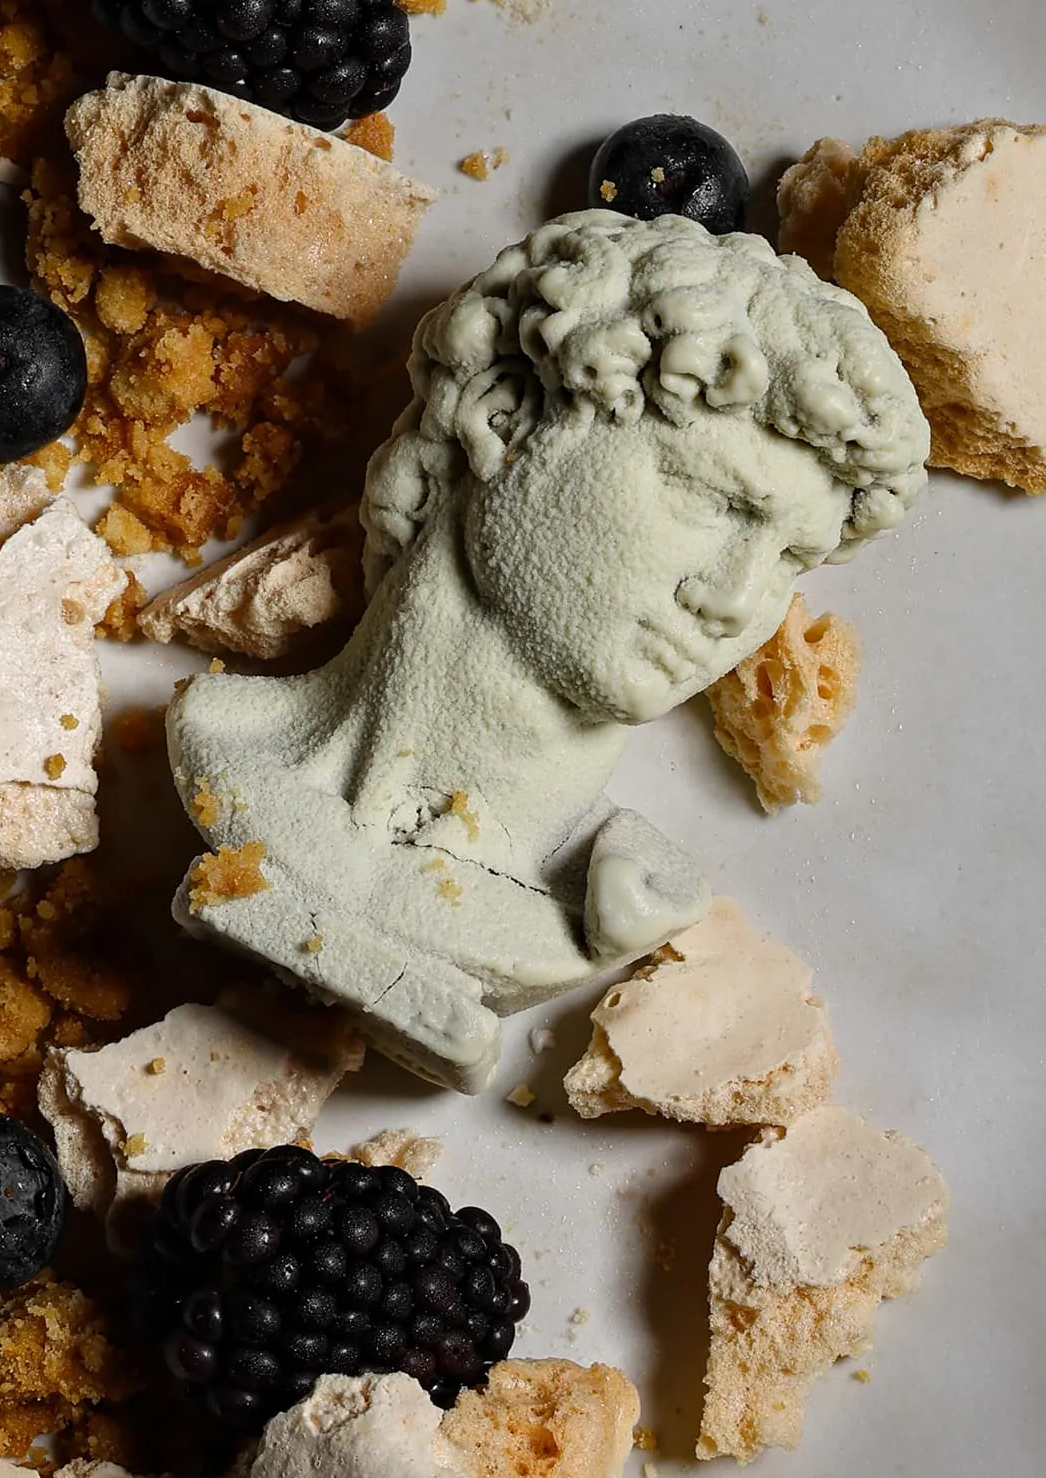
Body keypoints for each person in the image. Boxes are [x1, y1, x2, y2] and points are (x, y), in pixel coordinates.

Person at [169, 211, 929, 1086]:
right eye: (706, 503)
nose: (734, 601)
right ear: (508, 423)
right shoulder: (223, 741)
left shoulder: (597, 909)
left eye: (789, 560)